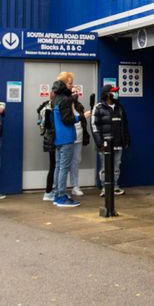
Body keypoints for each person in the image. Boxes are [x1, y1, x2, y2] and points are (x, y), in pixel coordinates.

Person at [92, 84, 129, 195]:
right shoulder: (98, 107)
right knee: (105, 166)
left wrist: (126, 140)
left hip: (118, 143)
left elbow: (125, 125)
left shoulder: (119, 107)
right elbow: (94, 126)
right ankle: (105, 188)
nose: (115, 94)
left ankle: (115, 186)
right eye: (113, 92)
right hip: (105, 144)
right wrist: (100, 143)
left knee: (117, 166)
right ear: (107, 94)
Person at [51, 74, 81, 207]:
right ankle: (61, 197)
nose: (72, 86)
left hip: (58, 138)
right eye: (70, 83)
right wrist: (81, 117)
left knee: (58, 167)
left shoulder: (56, 98)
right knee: (64, 167)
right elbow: (68, 119)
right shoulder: (64, 100)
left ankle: (57, 194)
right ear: (63, 84)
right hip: (66, 137)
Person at [69, 92, 91, 196]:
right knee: (63, 163)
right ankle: (59, 189)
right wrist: (82, 116)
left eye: (76, 92)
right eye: (73, 92)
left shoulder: (79, 106)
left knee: (76, 162)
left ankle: (75, 186)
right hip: (68, 138)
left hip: (79, 137)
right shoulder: (65, 105)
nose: (75, 94)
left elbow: (82, 123)